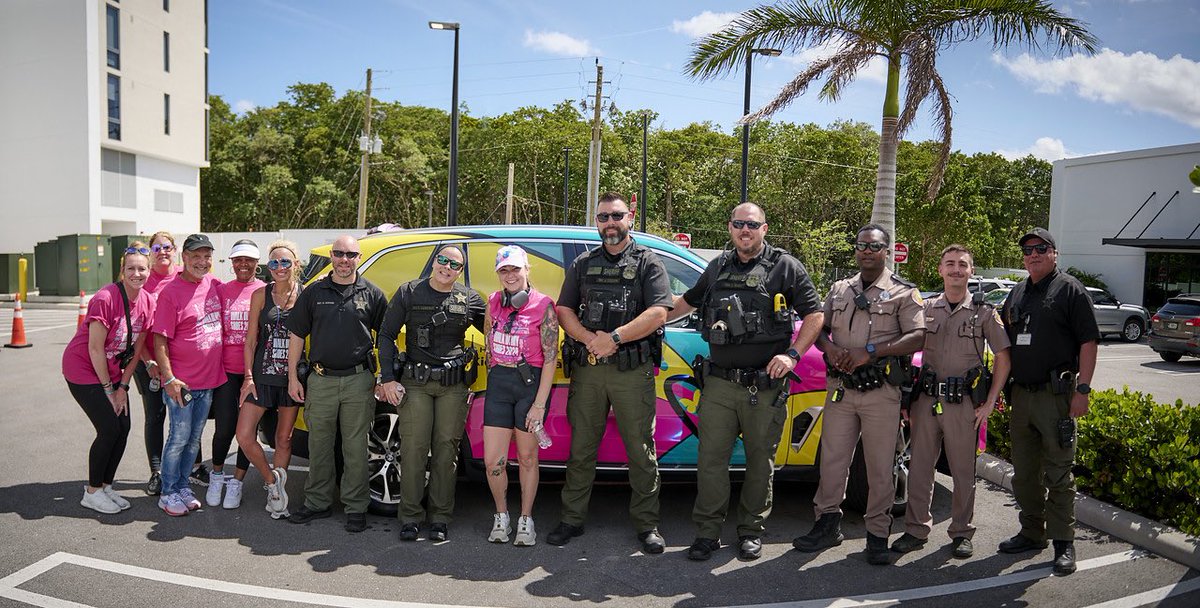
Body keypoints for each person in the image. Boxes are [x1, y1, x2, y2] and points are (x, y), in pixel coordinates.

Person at [666, 203, 824, 561]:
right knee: (710, 461)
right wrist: (649, 320)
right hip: (719, 385)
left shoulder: (786, 266)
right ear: (730, 227)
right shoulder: (717, 266)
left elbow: (815, 314)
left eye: (751, 225)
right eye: (739, 224)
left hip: (765, 385)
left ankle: (751, 530)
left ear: (764, 228)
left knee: (759, 461)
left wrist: (793, 355)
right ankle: (707, 532)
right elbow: (686, 303)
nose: (745, 230)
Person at [546, 192, 674, 554]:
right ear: (596, 221)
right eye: (603, 217)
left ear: (629, 217)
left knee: (640, 449)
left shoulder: (649, 262)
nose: (610, 223)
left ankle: (647, 524)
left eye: (616, 216)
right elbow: (564, 310)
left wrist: (614, 338)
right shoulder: (584, 264)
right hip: (589, 368)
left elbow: (659, 312)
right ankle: (571, 519)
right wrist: (590, 339)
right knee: (582, 448)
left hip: (631, 371)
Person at [792, 224, 925, 566]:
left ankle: (878, 534)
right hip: (841, 389)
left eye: (875, 246)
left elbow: (917, 336)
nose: (867, 251)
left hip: (881, 392)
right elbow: (818, 326)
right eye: (862, 245)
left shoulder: (903, 292)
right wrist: (830, 349)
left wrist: (872, 351)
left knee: (880, 466)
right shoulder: (840, 289)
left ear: (887, 250)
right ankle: (827, 523)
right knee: (833, 460)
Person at [891, 245, 1011, 559]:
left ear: (971, 271)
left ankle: (961, 533)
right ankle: (916, 530)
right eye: (950, 264)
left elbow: (1003, 356)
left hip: (964, 405)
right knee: (919, 468)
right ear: (940, 270)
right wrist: (906, 398)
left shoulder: (984, 312)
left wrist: (990, 402)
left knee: (962, 472)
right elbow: (905, 351)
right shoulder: (925, 308)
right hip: (926, 401)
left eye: (962, 265)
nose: (956, 269)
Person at [998, 227, 1098, 575]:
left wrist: (1082, 391)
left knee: (1058, 473)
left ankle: (1063, 543)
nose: (1033, 254)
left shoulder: (1070, 289)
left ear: (1054, 252)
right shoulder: (1016, 293)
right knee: (1024, 474)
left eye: (1040, 248)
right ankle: (1031, 533)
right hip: (1021, 396)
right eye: (1027, 250)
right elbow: (1003, 345)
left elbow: (1088, 342)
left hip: (1057, 397)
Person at [377, 245, 486, 542]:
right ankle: (410, 517)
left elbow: (496, 328)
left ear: (460, 271)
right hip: (415, 383)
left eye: (455, 264)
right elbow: (386, 335)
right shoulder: (409, 292)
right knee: (413, 451)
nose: (447, 267)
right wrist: (387, 378)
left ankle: (439, 517)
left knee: (446, 452)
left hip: (453, 386)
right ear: (434, 262)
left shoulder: (469, 298)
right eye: (442, 260)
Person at [286, 235, 389, 533]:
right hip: (320, 380)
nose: (345, 259)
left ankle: (355, 507)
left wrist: (383, 376)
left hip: (359, 380)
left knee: (356, 447)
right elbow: (295, 336)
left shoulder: (372, 293)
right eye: (339, 254)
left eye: (351, 254)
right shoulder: (314, 291)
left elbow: (386, 337)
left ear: (358, 257)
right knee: (319, 444)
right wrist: (293, 377)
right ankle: (317, 502)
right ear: (332, 255)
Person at [63, 242, 155, 514]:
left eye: (141, 269)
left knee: (123, 428)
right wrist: (108, 389)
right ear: (122, 271)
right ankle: (91, 492)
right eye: (131, 268)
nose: (136, 273)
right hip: (83, 368)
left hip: (114, 371)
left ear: (148, 271)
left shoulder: (148, 301)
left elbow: (137, 350)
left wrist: (123, 386)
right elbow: (94, 348)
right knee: (109, 428)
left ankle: (105, 486)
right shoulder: (106, 298)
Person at [480, 246, 558, 546]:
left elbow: (550, 358)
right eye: (504, 270)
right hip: (500, 383)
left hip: (530, 386)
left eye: (515, 269)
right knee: (492, 461)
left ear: (527, 269)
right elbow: (489, 342)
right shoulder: (492, 302)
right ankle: (502, 515)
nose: (510, 275)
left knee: (526, 457)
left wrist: (539, 405)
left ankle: (526, 518)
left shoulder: (544, 306)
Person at [152, 234, 226, 517]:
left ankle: (182, 485)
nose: (202, 261)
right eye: (196, 255)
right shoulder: (171, 292)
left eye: (207, 256)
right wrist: (169, 379)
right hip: (181, 383)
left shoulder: (213, 285)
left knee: (194, 439)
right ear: (184, 257)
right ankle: (168, 491)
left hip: (208, 381)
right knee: (178, 438)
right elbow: (160, 339)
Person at [230, 240, 304, 517]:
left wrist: (299, 377)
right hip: (262, 376)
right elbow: (250, 341)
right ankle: (272, 482)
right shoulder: (261, 295)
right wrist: (248, 376)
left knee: (283, 439)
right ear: (268, 267)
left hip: (291, 379)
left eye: (285, 262)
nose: (279, 267)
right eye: (274, 262)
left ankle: (278, 493)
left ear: (295, 265)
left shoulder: (305, 294)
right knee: (244, 435)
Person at [206, 239, 265, 508]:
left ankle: (237, 482)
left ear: (257, 262)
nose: (243, 265)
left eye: (249, 260)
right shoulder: (222, 290)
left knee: (247, 432)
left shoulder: (265, 290)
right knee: (224, 429)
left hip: (254, 373)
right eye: (238, 260)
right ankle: (217, 475)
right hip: (226, 371)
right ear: (231, 263)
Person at [131, 230, 179, 495]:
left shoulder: (185, 275)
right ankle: (157, 472)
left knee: (185, 414)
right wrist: (150, 361)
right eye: (157, 247)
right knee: (155, 415)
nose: (163, 251)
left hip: (179, 361)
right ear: (150, 252)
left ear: (175, 249)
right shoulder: (144, 282)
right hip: (147, 360)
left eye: (167, 246)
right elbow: (138, 331)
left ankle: (192, 465)